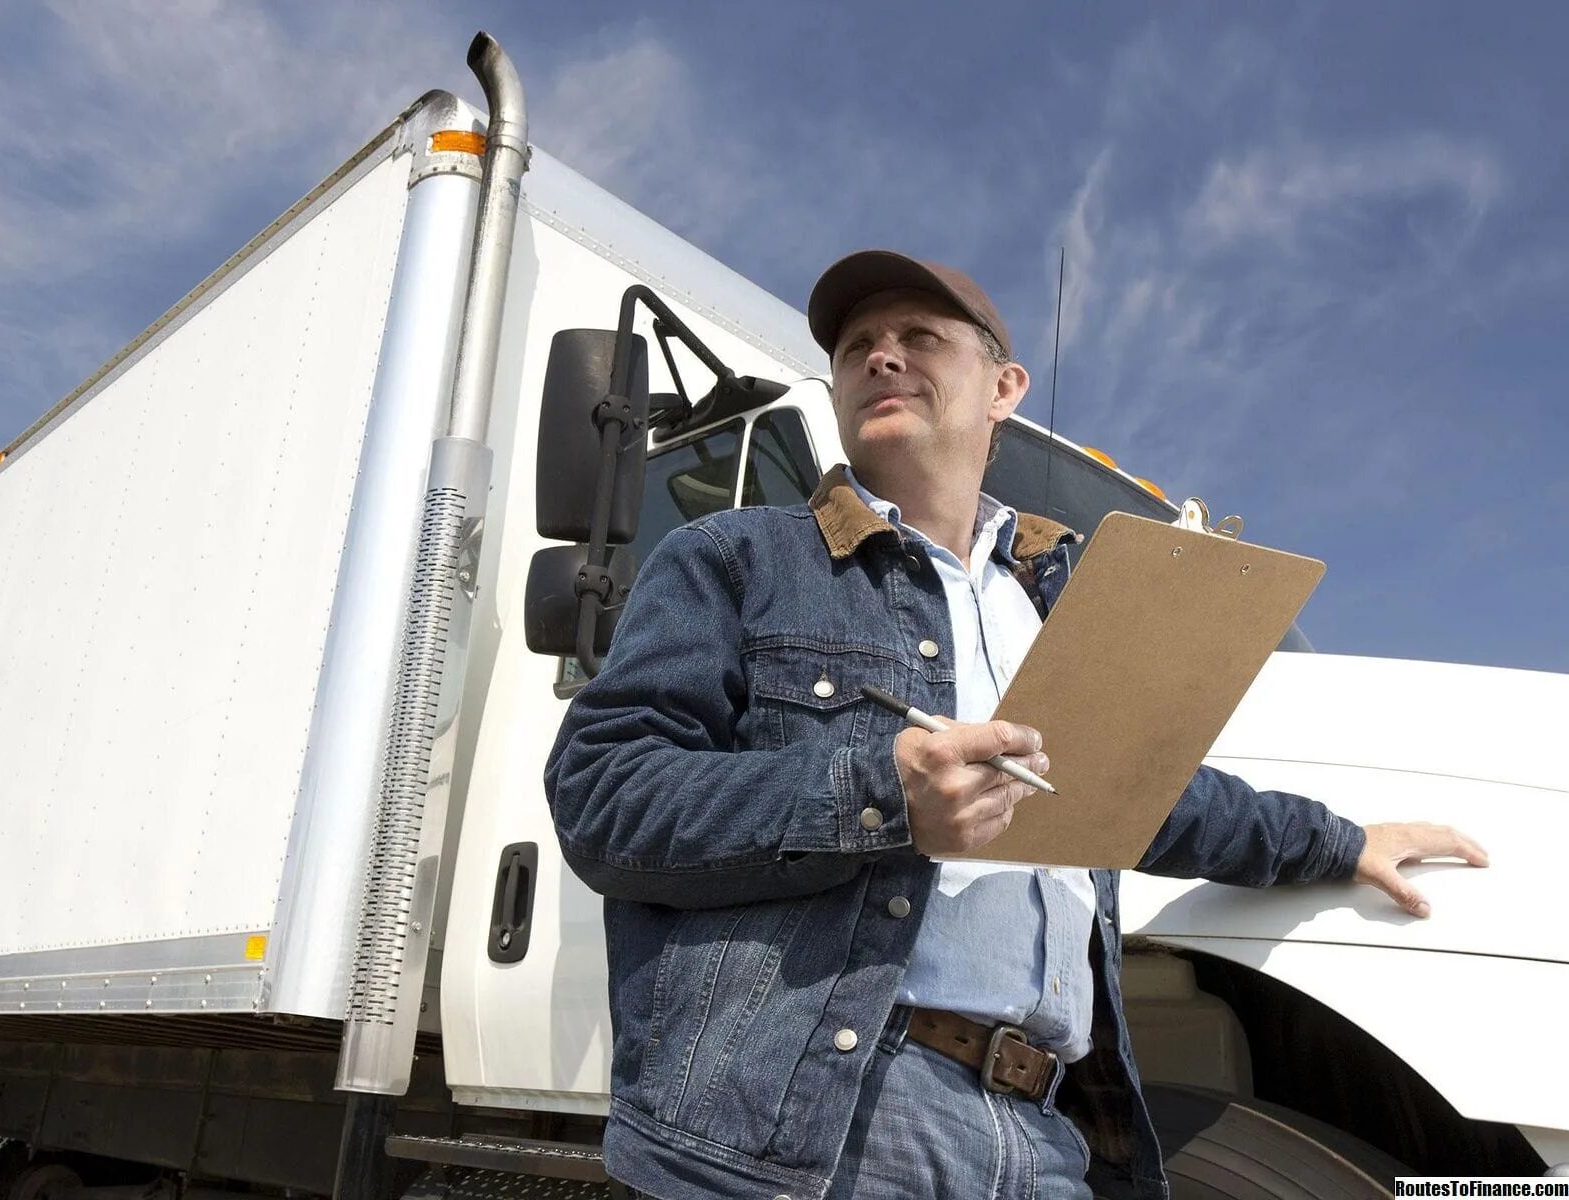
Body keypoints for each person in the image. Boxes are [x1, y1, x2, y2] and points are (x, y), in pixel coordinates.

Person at [543, 249, 1486, 1200]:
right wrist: (883, 798)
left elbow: (1152, 796)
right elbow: (602, 796)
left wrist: (1341, 840)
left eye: (919, 338)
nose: (881, 356)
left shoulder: (1061, 605)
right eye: (858, 345)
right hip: (815, 1126)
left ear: (1005, 386)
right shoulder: (735, 557)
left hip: (1047, 1132)